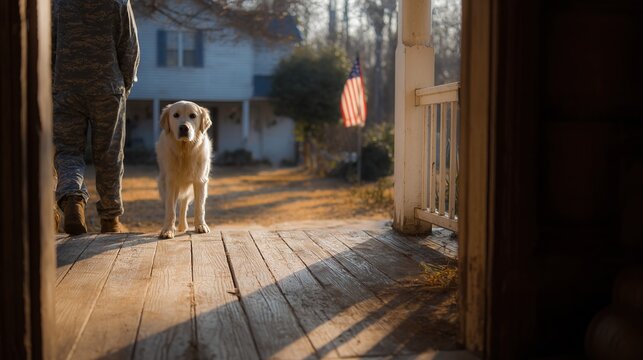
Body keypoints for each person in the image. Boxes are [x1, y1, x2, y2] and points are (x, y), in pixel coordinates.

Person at [52, 0, 139, 234]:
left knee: (68, 150)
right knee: (109, 153)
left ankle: (73, 199)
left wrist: (55, 84)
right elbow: (129, 46)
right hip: (107, 87)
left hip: (66, 87)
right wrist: (125, 85)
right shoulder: (118, 2)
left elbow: (49, 44)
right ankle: (110, 219)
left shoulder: (58, 3)